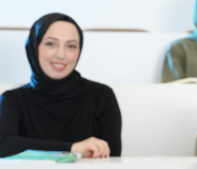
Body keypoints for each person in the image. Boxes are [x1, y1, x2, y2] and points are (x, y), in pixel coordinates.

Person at [0, 13, 122, 158]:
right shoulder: (13, 100)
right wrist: (73, 148)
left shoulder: (101, 96)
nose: (61, 55)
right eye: (51, 44)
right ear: (34, 46)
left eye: (71, 46)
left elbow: (112, 159)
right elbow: (4, 145)